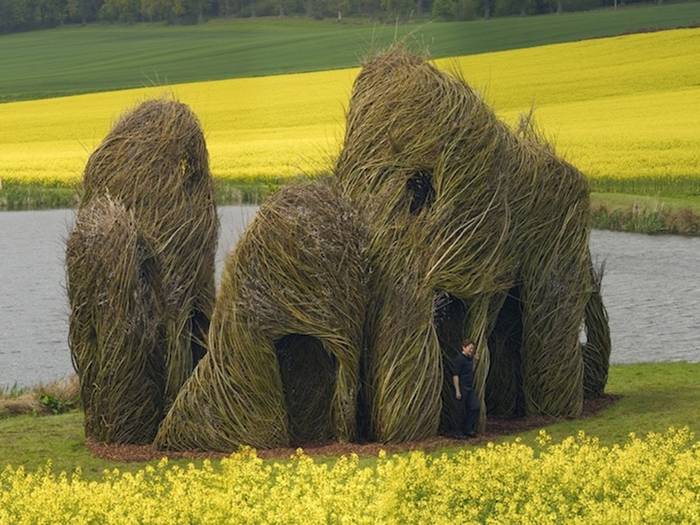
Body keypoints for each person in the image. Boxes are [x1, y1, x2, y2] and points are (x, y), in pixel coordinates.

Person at [452, 339, 480, 438]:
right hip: (461, 388)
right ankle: (457, 432)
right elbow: (455, 375)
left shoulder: (470, 359)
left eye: (473, 349)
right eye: (470, 348)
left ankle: (468, 429)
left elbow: (471, 370)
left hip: (469, 388)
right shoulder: (459, 359)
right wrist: (457, 390)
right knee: (459, 410)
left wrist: (475, 361)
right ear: (464, 347)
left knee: (474, 406)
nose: (471, 350)